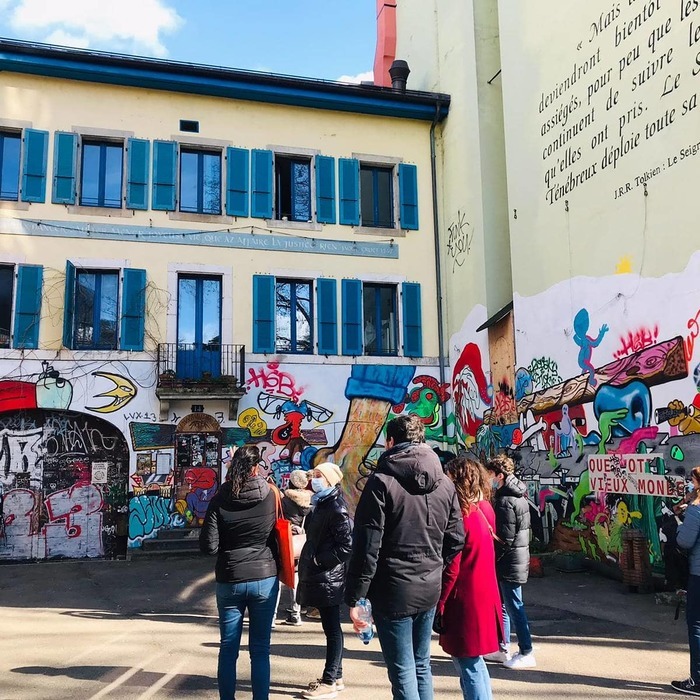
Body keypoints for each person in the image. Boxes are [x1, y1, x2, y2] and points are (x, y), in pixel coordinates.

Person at [345, 414, 465, 700]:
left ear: (390, 441)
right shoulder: (445, 483)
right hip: (429, 585)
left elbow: (367, 545)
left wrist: (356, 597)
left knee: (402, 669)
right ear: (421, 440)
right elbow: (457, 538)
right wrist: (435, 562)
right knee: (421, 664)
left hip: (393, 588)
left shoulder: (381, 482)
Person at [199, 444, 278, 700]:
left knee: (228, 647)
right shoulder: (271, 495)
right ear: (257, 467)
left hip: (230, 576)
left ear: (233, 466)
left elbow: (208, 546)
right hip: (265, 576)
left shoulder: (219, 499)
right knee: (260, 649)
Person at [437, 456, 503, 700]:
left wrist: (440, 601)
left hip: (464, 598)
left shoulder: (461, 517)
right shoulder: (485, 508)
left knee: (467, 664)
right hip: (485, 593)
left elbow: (453, 567)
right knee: (475, 663)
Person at [296, 462, 352, 699]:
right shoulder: (321, 503)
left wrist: (320, 561)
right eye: (313, 475)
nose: (314, 479)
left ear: (330, 480)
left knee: (332, 629)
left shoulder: (335, 507)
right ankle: (335, 677)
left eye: (319, 476)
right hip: (322, 576)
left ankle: (330, 679)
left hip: (329, 577)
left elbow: (346, 545)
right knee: (330, 627)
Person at [484, 454, 536, 669]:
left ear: (499, 475)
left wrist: (489, 535)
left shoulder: (505, 501)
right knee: (507, 605)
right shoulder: (518, 494)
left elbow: (505, 538)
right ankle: (502, 647)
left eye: (489, 475)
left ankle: (526, 650)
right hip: (516, 559)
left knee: (514, 606)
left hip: (509, 561)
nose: (488, 479)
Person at [672, 466, 700, 696]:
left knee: (696, 626)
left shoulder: (697, 510)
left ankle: (697, 680)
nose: (689, 484)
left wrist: (680, 523)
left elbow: (685, 541)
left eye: (691, 481)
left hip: (699, 574)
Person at [278, 469, 312, 627]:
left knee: (278, 575)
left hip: (286, 539)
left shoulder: (285, 500)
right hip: (301, 542)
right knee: (295, 575)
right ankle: (296, 613)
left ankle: (271, 616)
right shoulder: (310, 502)